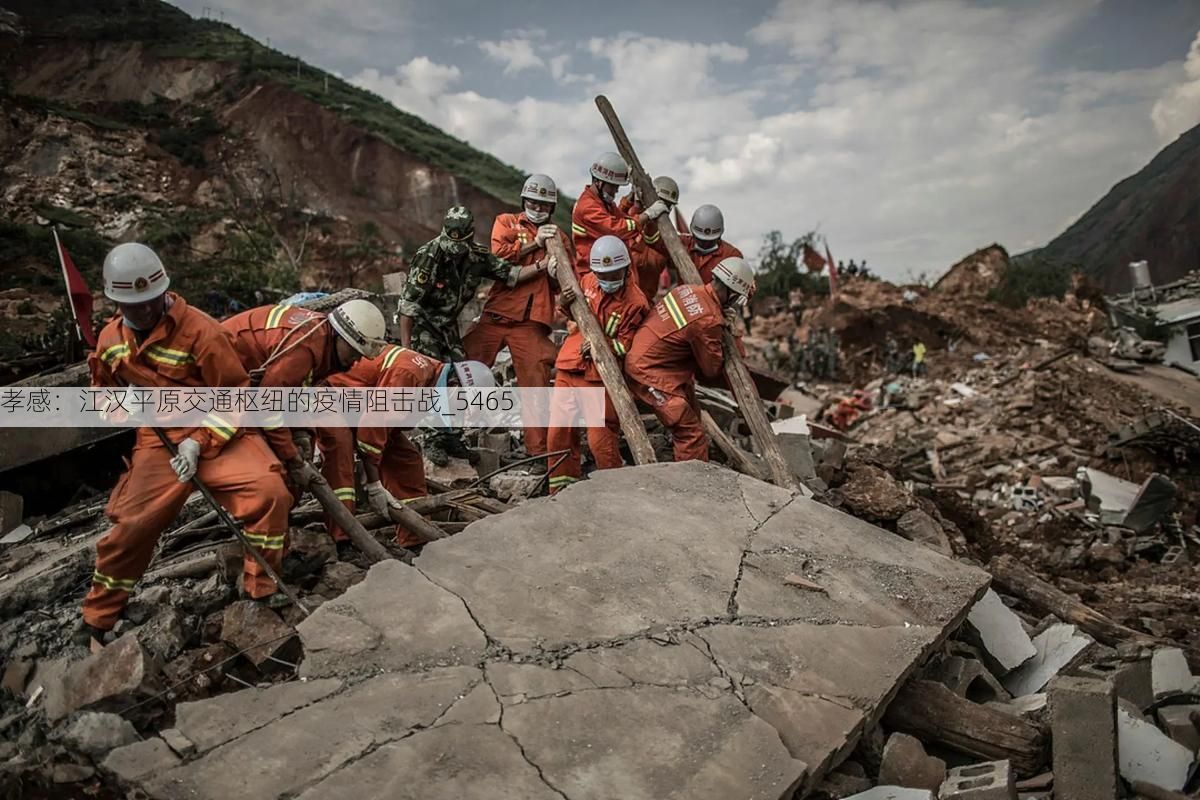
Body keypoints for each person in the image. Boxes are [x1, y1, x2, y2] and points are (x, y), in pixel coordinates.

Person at [79, 243, 293, 647]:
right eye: (133, 303)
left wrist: (197, 442)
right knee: (132, 525)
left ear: (164, 291)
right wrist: (123, 408)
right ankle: (99, 616)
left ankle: (261, 590)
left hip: (218, 432)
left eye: (150, 300)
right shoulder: (110, 341)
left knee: (268, 493)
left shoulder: (202, 331)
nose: (143, 310)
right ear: (117, 300)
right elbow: (103, 398)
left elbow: (235, 395)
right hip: (157, 442)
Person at [397, 205, 553, 465]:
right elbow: (408, 307)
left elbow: (511, 274)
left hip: (448, 327)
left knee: (460, 376)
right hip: (423, 326)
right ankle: (433, 440)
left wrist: (542, 265)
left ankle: (453, 437)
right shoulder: (430, 255)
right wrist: (405, 351)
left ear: (470, 237)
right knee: (433, 380)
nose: (456, 252)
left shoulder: (477, 257)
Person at [317, 348, 494, 548]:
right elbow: (371, 432)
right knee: (340, 459)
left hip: (361, 407)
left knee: (406, 462)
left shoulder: (430, 379)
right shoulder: (409, 375)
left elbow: (385, 422)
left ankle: (413, 537)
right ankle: (341, 540)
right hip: (329, 395)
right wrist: (374, 484)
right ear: (454, 386)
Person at [463, 174, 570, 468]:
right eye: (532, 201)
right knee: (462, 366)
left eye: (542, 203)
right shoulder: (507, 222)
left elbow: (567, 280)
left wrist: (556, 271)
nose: (536, 206)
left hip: (530, 324)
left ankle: (538, 452)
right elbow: (499, 258)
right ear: (523, 201)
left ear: (551, 206)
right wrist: (534, 248)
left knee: (535, 387)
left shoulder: (558, 238)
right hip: (497, 315)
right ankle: (441, 434)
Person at [222, 299, 386, 471]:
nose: (356, 360)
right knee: (268, 462)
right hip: (222, 384)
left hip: (251, 386)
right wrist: (290, 455)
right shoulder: (305, 348)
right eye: (354, 352)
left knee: (299, 447)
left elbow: (298, 391)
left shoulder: (323, 341)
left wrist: (301, 431)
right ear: (340, 337)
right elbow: (267, 406)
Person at [625, 256, 755, 463]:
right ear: (731, 293)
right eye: (737, 297)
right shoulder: (709, 320)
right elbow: (712, 369)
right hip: (648, 374)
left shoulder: (685, 290)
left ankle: (689, 464)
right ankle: (690, 486)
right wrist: (732, 332)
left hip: (657, 365)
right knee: (690, 433)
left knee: (693, 412)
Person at [546, 236, 649, 493]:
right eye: (603, 273)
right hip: (570, 365)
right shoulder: (589, 281)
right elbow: (575, 316)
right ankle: (560, 492)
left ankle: (613, 493)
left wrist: (600, 346)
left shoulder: (636, 302)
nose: (608, 279)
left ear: (626, 269)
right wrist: (565, 304)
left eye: (614, 274)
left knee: (600, 439)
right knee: (558, 433)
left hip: (599, 376)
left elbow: (629, 344)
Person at [571, 152, 669, 281]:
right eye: (613, 186)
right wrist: (648, 214)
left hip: (608, 268)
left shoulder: (602, 202)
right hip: (595, 273)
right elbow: (616, 229)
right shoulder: (588, 206)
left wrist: (631, 198)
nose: (616, 191)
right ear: (599, 182)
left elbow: (621, 218)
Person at [619, 175, 679, 301]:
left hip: (644, 302)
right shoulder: (631, 219)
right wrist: (630, 200)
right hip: (620, 298)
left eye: (668, 206)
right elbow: (614, 226)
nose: (665, 209)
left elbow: (677, 267)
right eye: (662, 203)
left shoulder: (669, 239)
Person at [681, 204, 743, 285]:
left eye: (710, 241)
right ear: (693, 233)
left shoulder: (732, 256)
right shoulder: (680, 243)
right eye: (700, 240)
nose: (705, 244)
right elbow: (659, 242)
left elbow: (744, 286)